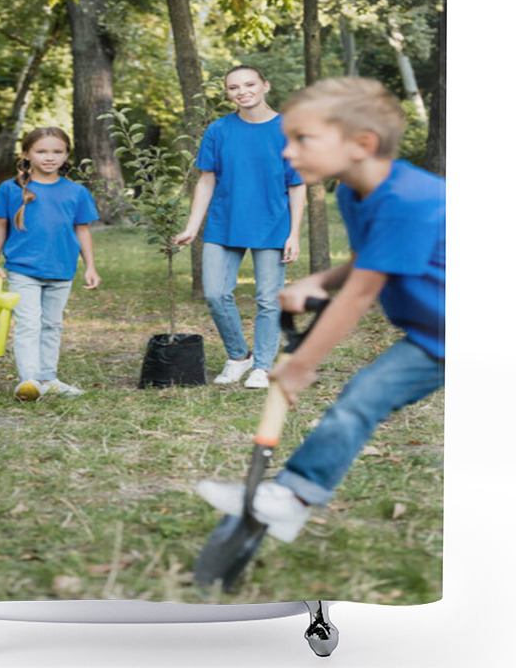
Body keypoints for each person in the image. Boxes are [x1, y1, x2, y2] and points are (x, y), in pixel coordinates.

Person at [197, 77, 445, 543]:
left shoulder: (410, 200)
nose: (287, 152)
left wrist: (300, 366)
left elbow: (359, 294)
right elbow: (367, 261)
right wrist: (321, 279)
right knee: (364, 397)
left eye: (302, 140)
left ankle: (293, 496)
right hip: (434, 334)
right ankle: (295, 497)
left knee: (363, 397)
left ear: (362, 144)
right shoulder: (354, 192)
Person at [174, 65, 307, 389]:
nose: (242, 91)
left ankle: (262, 366)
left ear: (265, 85)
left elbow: (298, 185)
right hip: (223, 224)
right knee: (216, 294)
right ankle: (238, 356)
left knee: (267, 299)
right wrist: (192, 226)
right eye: (234, 87)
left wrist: (294, 234)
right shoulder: (218, 130)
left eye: (249, 84)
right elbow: (206, 180)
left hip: (272, 225)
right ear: (227, 93)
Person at [0, 127, 101, 402]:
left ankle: (48, 379)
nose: (49, 158)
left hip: (61, 270)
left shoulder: (77, 192)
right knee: (28, 323)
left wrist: (90, 266)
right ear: (27, 154)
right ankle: (28, 380)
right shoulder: (10, 189)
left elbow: (82, 230)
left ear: (65, 155)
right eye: (41, 151)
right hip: (22, 269)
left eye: (57, 152)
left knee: (52, 324)